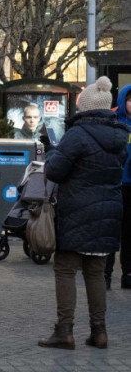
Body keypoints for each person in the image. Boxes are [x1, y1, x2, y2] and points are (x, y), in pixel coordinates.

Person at [38, 77, 126, 350]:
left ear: (85, 107)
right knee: (96, 272)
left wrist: (51, 151)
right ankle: (99, 332)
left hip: (76, 210)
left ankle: (64, 331)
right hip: (108, 210)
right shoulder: (119, 136)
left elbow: (55, 171)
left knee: (65, 269)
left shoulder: (77, 134)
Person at [104, 84, 131, 290]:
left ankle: (128, 273)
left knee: (129, 233)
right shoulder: (113, 122)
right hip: (115, 184)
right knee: (111, 231)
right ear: (123, 100)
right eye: (130, 100)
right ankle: (105, 274)